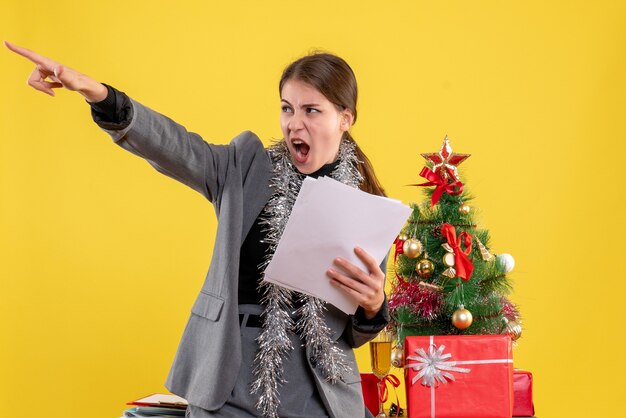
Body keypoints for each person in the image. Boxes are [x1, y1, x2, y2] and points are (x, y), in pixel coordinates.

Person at [5, 40, 390, 418]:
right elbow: (175, 147)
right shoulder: (244, 168)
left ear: (345, 117)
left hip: (318, 389)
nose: (294, 124)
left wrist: (373, 307)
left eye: (311, 110)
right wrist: (97, 93)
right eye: (287, 109)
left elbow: (352, 334)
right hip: (231, 374)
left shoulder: (367, 204)